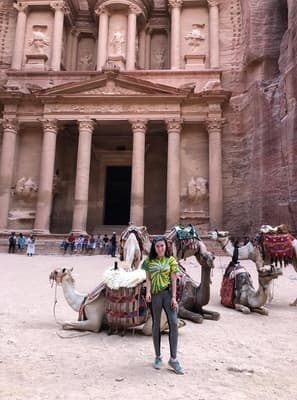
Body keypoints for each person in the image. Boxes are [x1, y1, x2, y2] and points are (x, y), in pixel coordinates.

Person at [141, 236, 184, 375]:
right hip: (155, 295)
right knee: (156, 324)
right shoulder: (149, 261)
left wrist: (173, 297)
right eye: (157, 246)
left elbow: (173, 280)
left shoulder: (171, 260)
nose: (160, 248)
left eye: (162, 246)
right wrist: (147, 293)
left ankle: (173, 358)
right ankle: (158, 356)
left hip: (167, 295)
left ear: (166, 246)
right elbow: (148, 278)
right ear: (154, 248)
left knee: (173, 322)